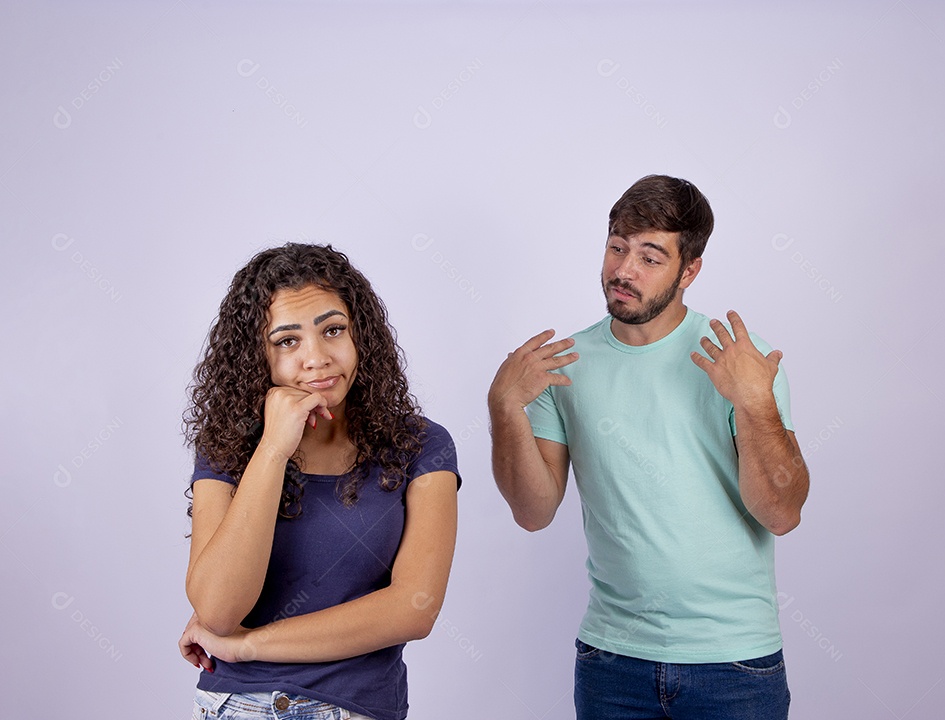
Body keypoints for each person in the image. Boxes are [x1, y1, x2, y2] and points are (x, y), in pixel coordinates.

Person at [488, 175, 809, 719]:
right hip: (611, 661)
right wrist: (503, 408)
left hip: (734, 664)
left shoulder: (742, 360)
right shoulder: (563, 366)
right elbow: (532, 511)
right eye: (617, 248)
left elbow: (781, 513)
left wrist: (755, 403)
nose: (624, 270)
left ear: (690, 270)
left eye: (650, 257)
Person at [179, 243, 459, 720]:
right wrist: (272, 449)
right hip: (237, 705)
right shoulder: (229, 447)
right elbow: (218, 610)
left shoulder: (420, 445)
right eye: (288, 341)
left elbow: (414, 609)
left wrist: (250, 645)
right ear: (257, 356)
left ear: (361, 337)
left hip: (353, 707)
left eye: (333, 330)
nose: (317, 358)